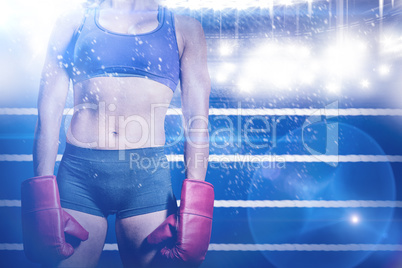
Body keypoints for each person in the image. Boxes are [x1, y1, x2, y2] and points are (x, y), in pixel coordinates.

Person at [20, 0, 214, 267]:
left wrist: (196, 209)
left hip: (146, 180)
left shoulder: (185, 29)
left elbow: (197, 121)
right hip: (79, 178)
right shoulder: (74, 21)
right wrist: (42, 193)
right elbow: (48, 109)